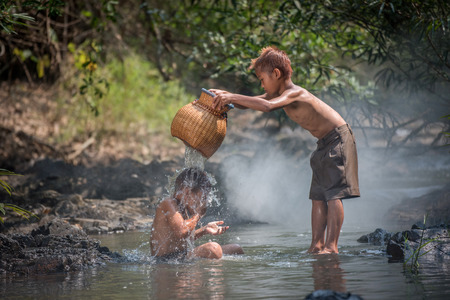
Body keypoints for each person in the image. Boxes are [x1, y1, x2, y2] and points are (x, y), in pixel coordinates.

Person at [211, 46, 360, 254]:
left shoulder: (294, 92)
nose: (261, 84)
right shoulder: (279, 93)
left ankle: (331, 246)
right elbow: (256, 102)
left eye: (262, 79)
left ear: (276, 74)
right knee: (318, 195)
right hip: (323, 143)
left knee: (334, 195)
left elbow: (266, 107)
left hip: (338, 139)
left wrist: (232, 97)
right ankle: (316, 246)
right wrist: (227, 97)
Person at [150, 167, 244, 260]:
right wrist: (198, 214)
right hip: (165, 260)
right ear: (186, 192)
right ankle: (209, 274)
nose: (202, 203)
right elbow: (182, 232)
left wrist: (205, 230)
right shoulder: (169, 203)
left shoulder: (182, 208)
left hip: (180, 256)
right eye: (201, 198)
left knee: (236, 248)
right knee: (213, 248)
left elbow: (181, 240)